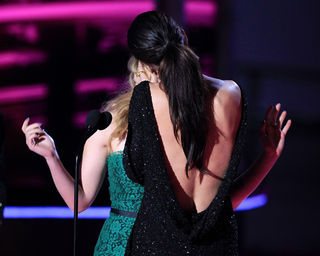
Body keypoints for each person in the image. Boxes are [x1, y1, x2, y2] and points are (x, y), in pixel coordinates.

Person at [122, 11, 292, 255]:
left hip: (156, 246)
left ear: (143, 63)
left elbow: (136, 171)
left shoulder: (145, 99)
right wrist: (269, 157)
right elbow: (223, 205)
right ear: (184, 39)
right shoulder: (230, 94)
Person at [21, 56, 152, 256]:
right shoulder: (111, 123)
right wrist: (52, 156)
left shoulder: (187, 121)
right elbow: (79, 202)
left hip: (171, 241)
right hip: (120, 245)